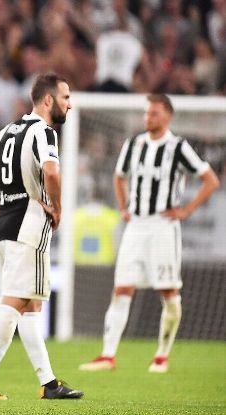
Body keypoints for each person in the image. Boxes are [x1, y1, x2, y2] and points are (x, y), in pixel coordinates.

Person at [79, 94, 220, 374]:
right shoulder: (134, 145)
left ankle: (161, 356)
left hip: (163, 226)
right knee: (121, 288)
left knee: (168, 290)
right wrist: (123, 207)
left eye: (154, 113)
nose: (148, 118)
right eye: (146, 113)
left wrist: (186, 210)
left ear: (168, 116)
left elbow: (210, 180)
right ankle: (108, 355)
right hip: (136, 225)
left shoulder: (178, 147)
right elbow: (119, 176)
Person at [0, 73, 84, 400]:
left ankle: (49, 384)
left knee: (30, 305)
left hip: (4, 223)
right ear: (47, 100)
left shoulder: (8, 131)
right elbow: (51, 171)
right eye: (65, 97)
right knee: (15, 303)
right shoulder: (44, 131)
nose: (69, 104)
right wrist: (57, 208)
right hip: (28, 225)